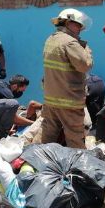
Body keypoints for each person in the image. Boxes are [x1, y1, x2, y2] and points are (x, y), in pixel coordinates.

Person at [41, 8, 94, 149]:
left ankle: (46, 166)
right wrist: (86, 49)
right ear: (68, 23)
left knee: (48, 139)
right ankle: (78, 169)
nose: (80, 29)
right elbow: (86, 65)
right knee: (75, 140)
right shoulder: (70, 42)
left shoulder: (50, 39)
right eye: (78, 25)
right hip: (69, 101)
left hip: (51, 100)